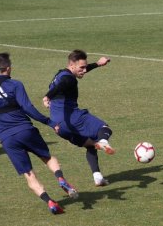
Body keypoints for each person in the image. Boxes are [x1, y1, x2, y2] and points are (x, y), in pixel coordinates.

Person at [0, 52, 78, 215]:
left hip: (6, 138)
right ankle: (60, 178)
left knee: (29, 175)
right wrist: (48, 121)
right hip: (24, 130)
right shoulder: (15, 85)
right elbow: (27, 108)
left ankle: (49, 202)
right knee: (47, 157)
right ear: (8, 68)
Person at [43, 49, 115, 187]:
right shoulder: (67, 78)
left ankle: (97, 177)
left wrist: (98, 64)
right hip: (72, 118)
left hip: (59, 127)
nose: (84, 70)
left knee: (91, 144)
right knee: (104, 129)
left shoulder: (60, 74)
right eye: (81, 67)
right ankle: (104, 141)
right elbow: (63, 84)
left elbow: (63, 82)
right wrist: (48, 96)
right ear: (71, 65)